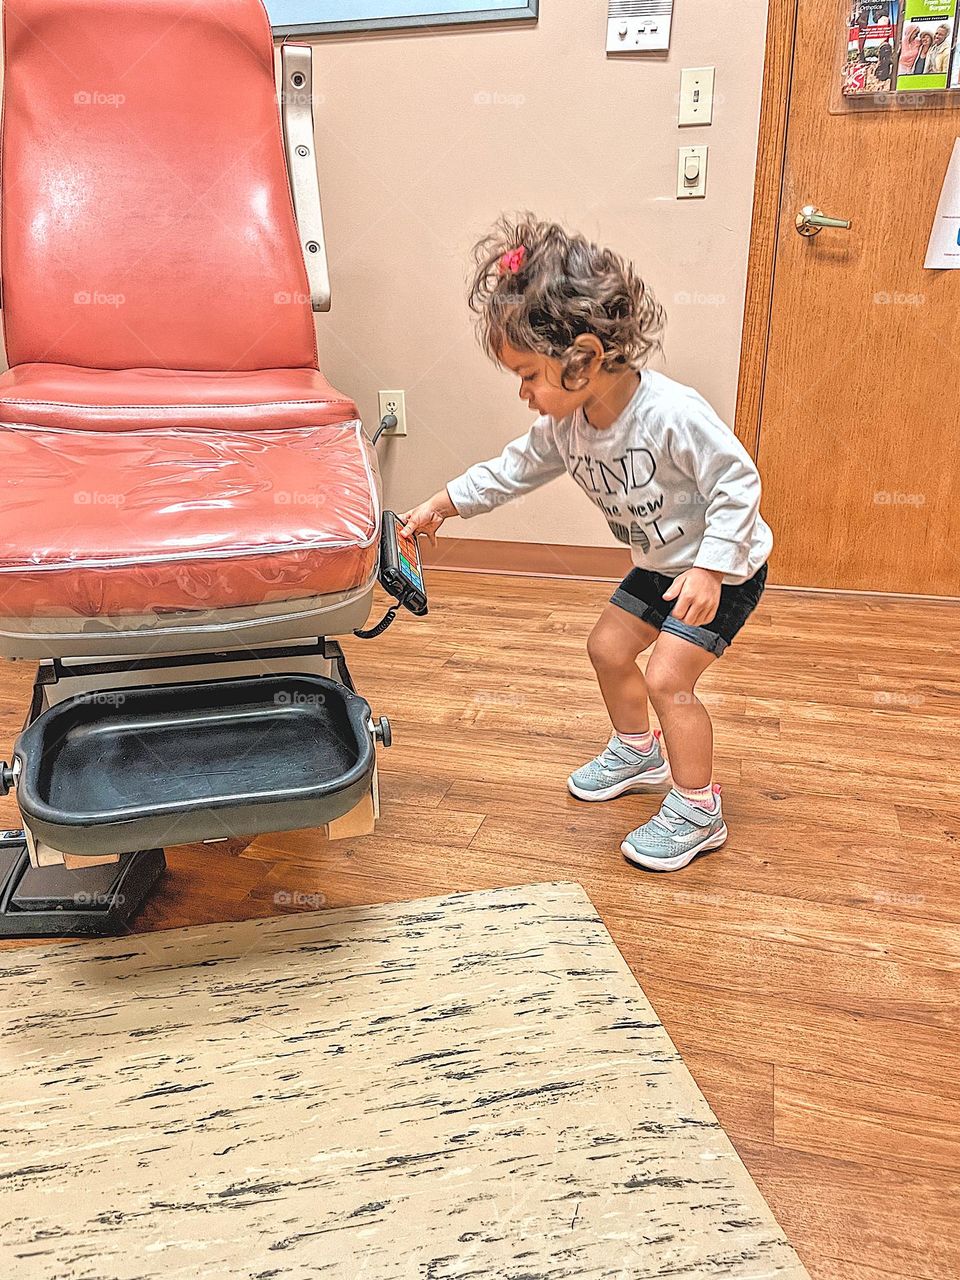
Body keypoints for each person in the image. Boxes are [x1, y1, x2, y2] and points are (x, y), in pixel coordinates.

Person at [400, 217, 773, 873]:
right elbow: (510, 470)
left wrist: (713, 569)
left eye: (528, 376)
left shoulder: (670, 414)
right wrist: (442, 503)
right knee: (607, 646)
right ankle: (639, 752)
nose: (524, 395)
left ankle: (697, 808)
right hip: (662, 565)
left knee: (666, 676)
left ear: (585, 357)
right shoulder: (567, 426)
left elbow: (737, 483)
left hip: (723, 566)